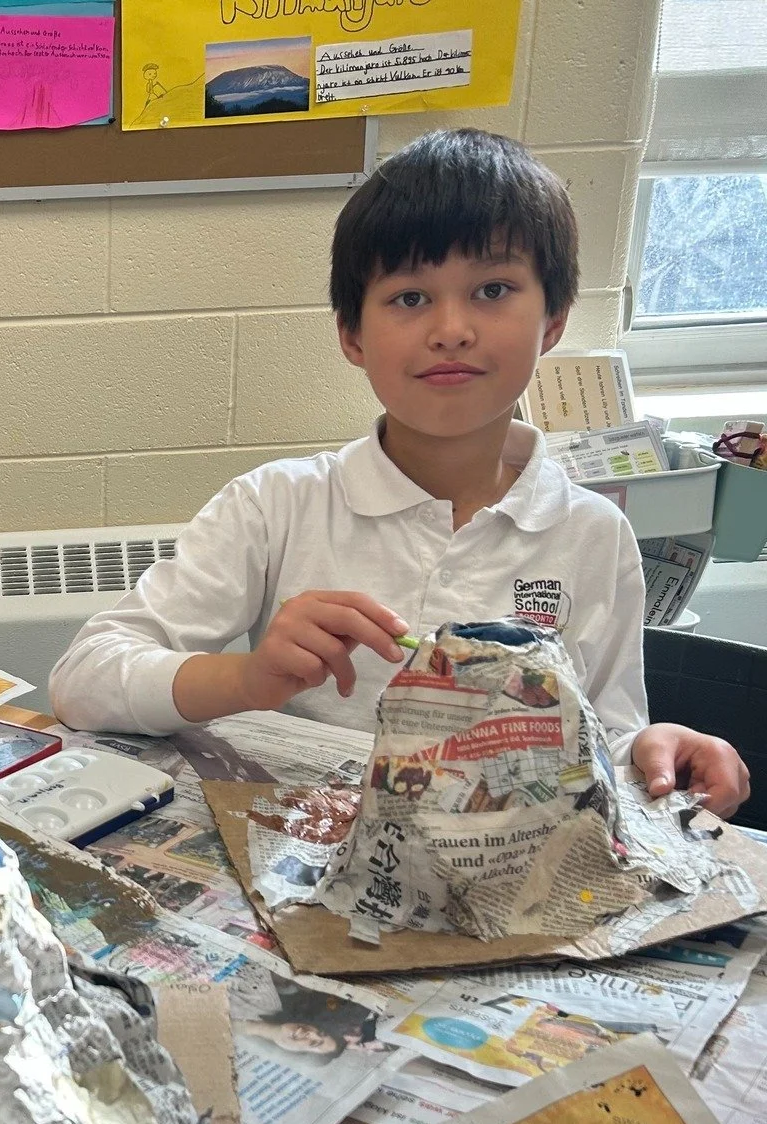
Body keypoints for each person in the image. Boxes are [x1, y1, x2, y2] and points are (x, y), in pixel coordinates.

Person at [51, 130, 749, 818]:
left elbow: (605, 736)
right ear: (353, 335)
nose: (451, 328)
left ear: (555, 321)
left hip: (501, 869)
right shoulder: (278, 505)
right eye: (410, 298)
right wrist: (247, 676)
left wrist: (653, 749)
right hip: (308, 859)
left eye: (494, 289)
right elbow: (84, 681)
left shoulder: (593, 534)